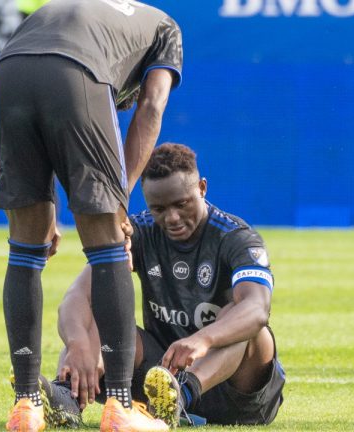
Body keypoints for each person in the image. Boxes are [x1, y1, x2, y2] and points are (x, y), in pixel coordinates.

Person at [0, 0, 183, 430]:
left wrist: (48, 209)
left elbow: (49, 105)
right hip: (77, 74)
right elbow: (150, 108)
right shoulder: (166, 28)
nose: (123, 105)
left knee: (26, 248)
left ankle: (26, 406)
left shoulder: (84, 15)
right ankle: (119, 407)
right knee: (108, 244)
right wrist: (120, 201)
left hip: (7, 73)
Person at [53, 143, 285, 427]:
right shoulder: (139, 233)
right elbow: (77, 296)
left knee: (245, 324)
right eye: (159, 208)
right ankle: (65, 399)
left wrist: (204, 339)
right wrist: (77, 345)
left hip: (234, 392)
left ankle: (179, 400)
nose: (172, 217)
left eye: (181, 204)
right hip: (159, 378)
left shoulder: (236, 238)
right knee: (99, 321)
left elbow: (257, 309)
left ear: (201, 188)